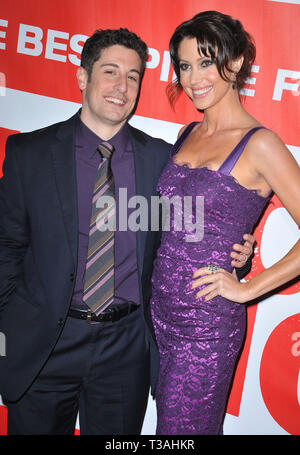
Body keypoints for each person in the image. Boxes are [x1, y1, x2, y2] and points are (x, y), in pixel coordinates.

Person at [0, 27, 254, 435]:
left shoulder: (161, 157)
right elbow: (7, 245)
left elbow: (191, 224)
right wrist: (11, 322)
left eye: (133, 76)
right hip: (45, 344)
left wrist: (237, 250)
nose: (122, 86)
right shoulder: (28, 154)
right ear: (83, 77)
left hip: (125, 349)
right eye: (110, 72)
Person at [150, 10, 300, 435]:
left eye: (205, 61)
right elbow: (180, 221)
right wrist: (240, 242)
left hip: (206, 324)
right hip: (158, 315)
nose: (193, 77)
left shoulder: (262, 143)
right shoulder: (187, 133)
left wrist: (248, 287)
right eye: (184, 65)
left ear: (233, 64)